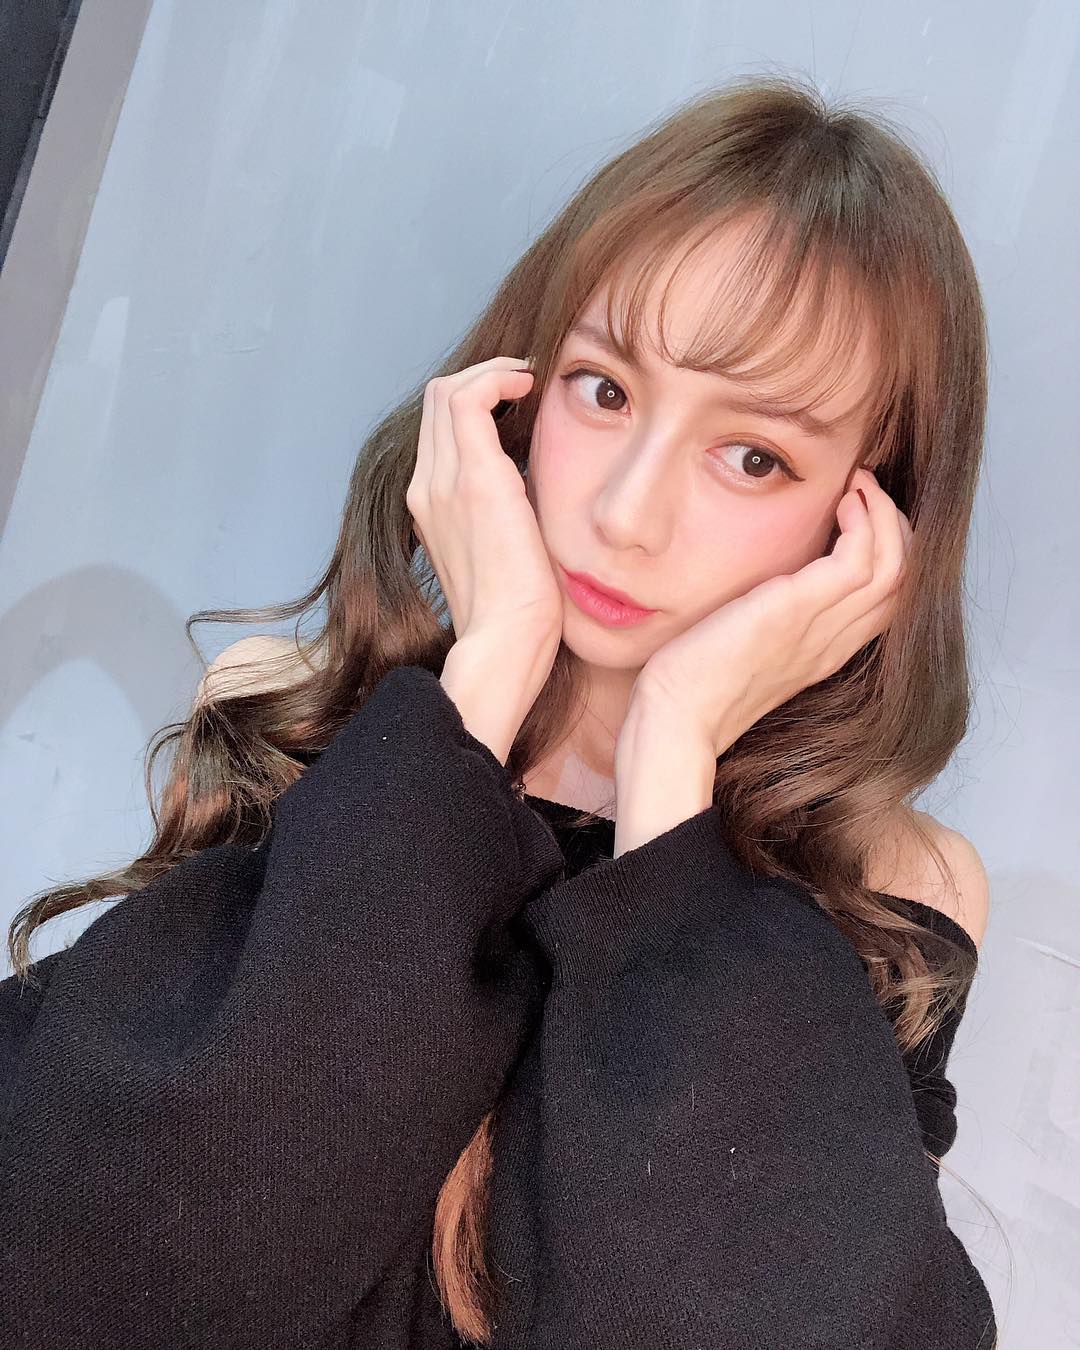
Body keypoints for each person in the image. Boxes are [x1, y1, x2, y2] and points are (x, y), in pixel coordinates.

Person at [0, 75, 998, 1348]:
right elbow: (113, 1266)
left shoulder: (889, 893)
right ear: (512, 395)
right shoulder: (288, 720)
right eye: (605, 390)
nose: (628, 511)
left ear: (868, 522)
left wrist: (673, 781)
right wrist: (477, 696)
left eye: (754, 458)